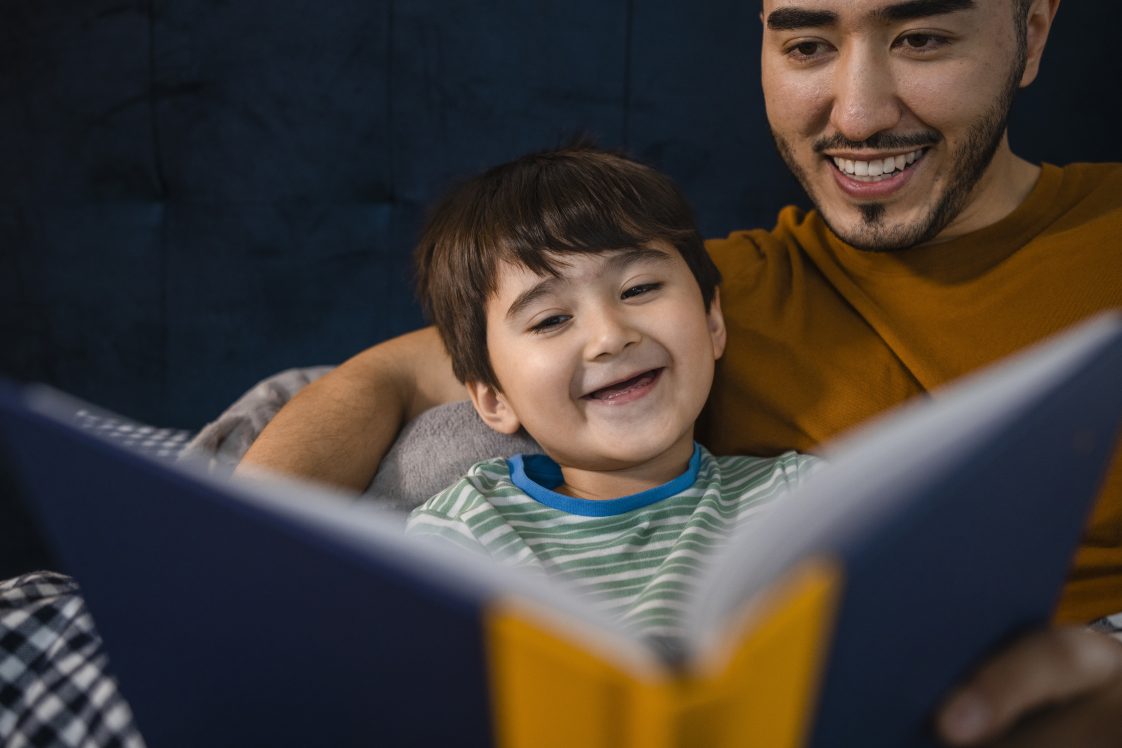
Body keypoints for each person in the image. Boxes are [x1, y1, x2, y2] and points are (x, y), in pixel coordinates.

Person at [241, 0, 1122, 744]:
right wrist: (235, 586)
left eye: (922, 38)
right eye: (808, 45)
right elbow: (374, 381)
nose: (856, 115)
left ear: (1033, 31)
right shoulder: (706, 292)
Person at [401, 144, 820, 640]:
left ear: (712, 321)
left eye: (638, 289)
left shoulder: (800, 498)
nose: (610, 336)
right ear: (495, 398)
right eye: (551, 319)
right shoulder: (467, 532)